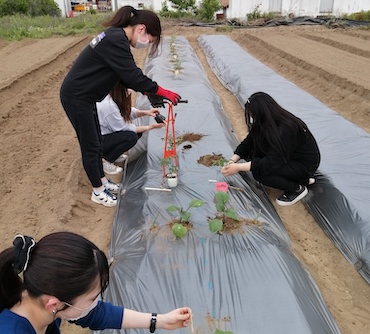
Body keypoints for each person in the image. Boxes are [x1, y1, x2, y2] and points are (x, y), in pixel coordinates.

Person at [60, 6, 181, 207]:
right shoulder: (116, 39)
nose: (146, 44)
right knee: (90, 146)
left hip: (86, 97)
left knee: (97, 141)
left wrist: (147, 91)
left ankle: (103, 182)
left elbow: (123, 76)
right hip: (76, 97)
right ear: (141, 29)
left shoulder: (116, 38)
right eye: (149, 40)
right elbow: (132, 75)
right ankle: (98, 192)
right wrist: (160, 91)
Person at [0, 232, 192, 333]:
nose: (96, 302)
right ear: (54, 304)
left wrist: (161, 321)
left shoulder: (41, 297)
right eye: (92, 298)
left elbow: (98, 315)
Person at [221, 92, 320, 206]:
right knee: (256, 154)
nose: (252, 117)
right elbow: (249, 142)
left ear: (262, 113)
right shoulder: (267, 122)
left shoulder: (285, 129)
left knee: (260, 173)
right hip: (288, 157)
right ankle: (302, 179)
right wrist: (233, 160)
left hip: (304, 165)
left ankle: (297, 188)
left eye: (253, 114)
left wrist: (238, 167)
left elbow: (270, 163)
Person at [97, 83, 166, 175]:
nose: (129, 93)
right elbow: (123, 128)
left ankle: (113, 154)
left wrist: (146, 112)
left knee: (137, 132)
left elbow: (127, 111)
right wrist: (150, 127)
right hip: (98, 141)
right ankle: (104, 161)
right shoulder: (108, 106)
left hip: (106, 134)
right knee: (131, 137)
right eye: (127, 90)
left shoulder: (113, 96)